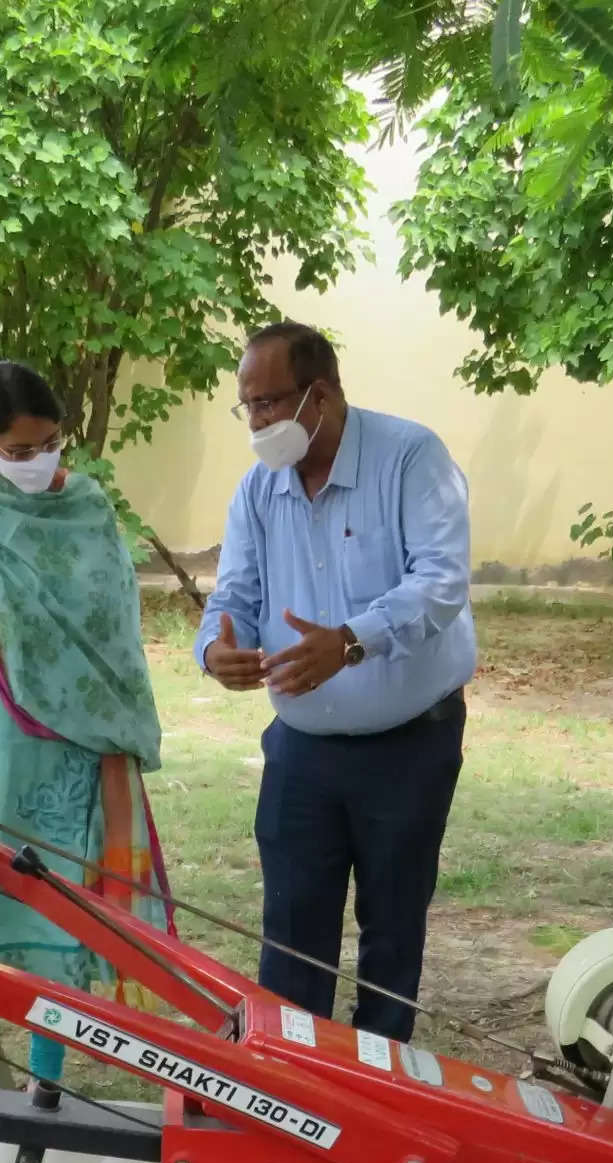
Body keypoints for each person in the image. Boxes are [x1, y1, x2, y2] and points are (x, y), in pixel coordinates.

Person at [196, 322, 475, 1041]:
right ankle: (293, 1089)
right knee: (291, 930)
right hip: (302, 751)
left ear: (319, 395)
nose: (256, 422)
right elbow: (234, 597)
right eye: (246, 406)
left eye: (267, 404)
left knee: (391, 930)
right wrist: (214, 650)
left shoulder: (411, 458)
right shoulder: (260, 489)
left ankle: (381, 1095)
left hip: (409, 744)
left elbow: (441, 584)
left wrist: (351, 642)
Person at [0, 360, 168, 1088]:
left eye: (48, 444)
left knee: (61, 917)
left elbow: (116, 638)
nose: (37, 462)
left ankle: (46, 1084)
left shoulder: (89, 510)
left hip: (73, 758)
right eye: (18, 450)